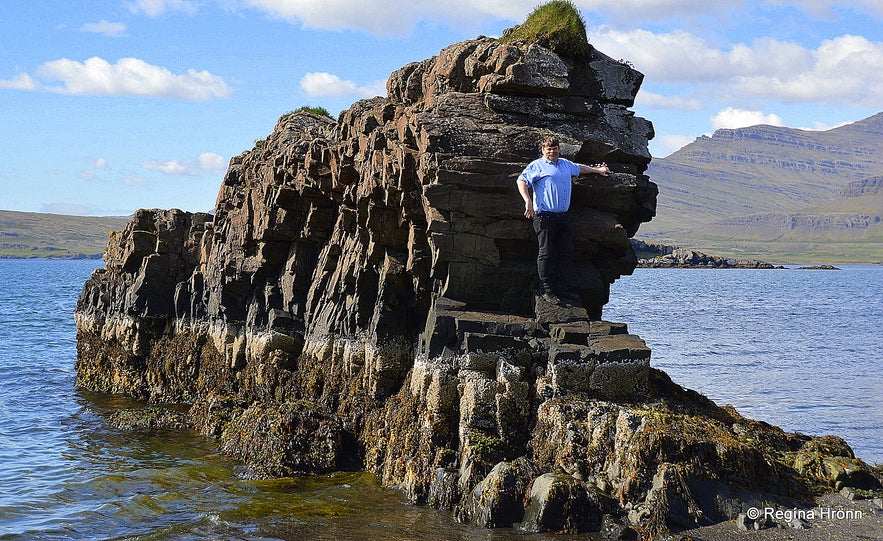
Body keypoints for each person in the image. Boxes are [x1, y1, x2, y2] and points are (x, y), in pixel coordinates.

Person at [516, 136, 610, 305]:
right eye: (548, 149)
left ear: (559, 149)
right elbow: (521, 181)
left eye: (555, 148)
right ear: (543, 150)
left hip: (562, 217)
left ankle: (562, 289)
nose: (552, 151)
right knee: (546, 254)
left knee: (566, 253)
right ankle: (546, 290)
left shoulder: (565, 164)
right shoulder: (537, 165)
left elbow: (580, 168)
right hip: (544, 216)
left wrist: (598, 171)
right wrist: (528, 201)